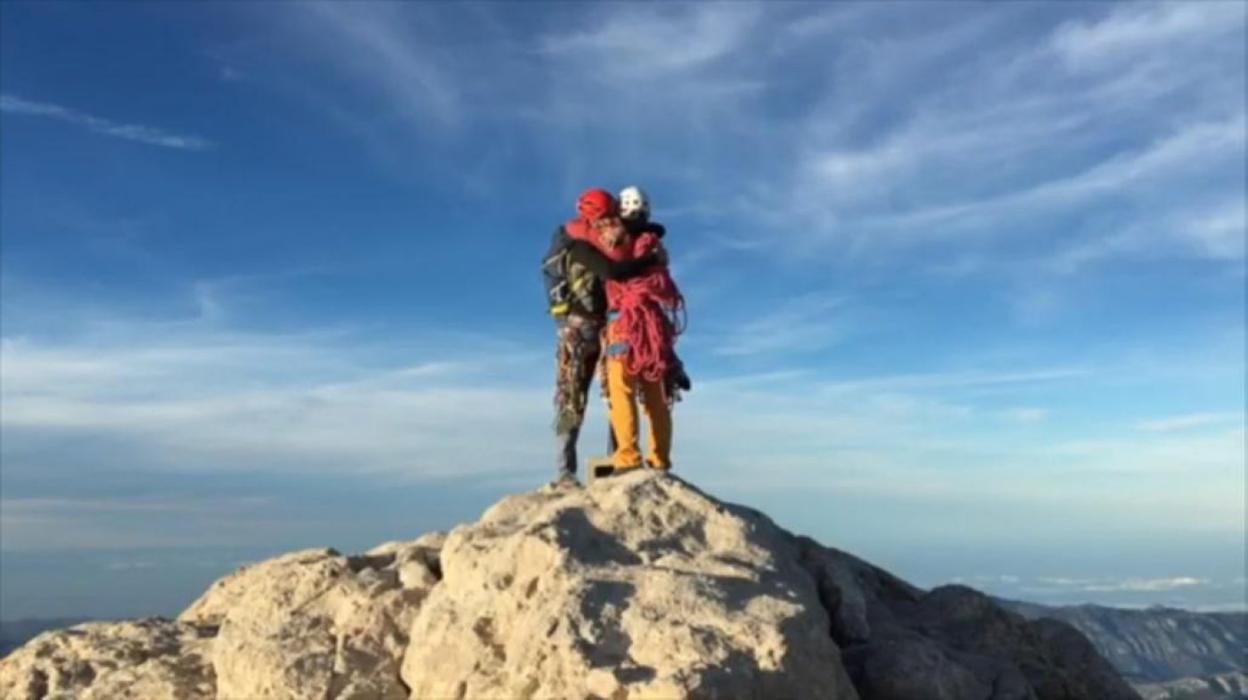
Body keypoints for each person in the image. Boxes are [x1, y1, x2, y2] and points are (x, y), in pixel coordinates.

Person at [543, 188, 661, 486]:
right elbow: (612, 271)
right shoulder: (581, 246)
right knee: (574, 396)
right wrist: (648, 259)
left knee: (612, 393)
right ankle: (565, 471)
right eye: (606, 215)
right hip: (581, 327)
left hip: (599, 325)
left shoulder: (593, 239)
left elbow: (636, 237)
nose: (610, 221)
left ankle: (616, 458)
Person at [592, 193, 686, 472]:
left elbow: (606, 270)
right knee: (656, 395)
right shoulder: (654, 248)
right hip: (650, 327)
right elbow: (663, 288)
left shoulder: (608, 241)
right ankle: (659, 460)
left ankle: (628, 457)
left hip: (623, 324)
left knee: (621, 390)